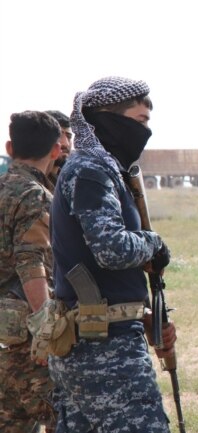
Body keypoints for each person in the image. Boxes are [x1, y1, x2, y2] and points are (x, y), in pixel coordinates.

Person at [48, 76, 177, 432]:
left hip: (93, 342)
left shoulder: (102, 170)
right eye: (139, 122)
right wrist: (153, 242)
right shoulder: (91, 169)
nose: (144, 133)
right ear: (106, 118)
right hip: (105, 353)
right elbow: (112, 249)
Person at [0, 111, 62, 432]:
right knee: (64, 421)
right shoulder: (35, 196)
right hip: (27, 344)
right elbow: (31, 262)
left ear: (10, 147)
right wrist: (47, 331)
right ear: (55, 150)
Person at [44, 110, 72, 185]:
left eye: (69, 137)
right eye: (59, 136)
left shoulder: (72, 181)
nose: (66, 144)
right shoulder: (28, 182)